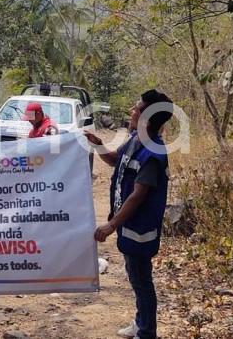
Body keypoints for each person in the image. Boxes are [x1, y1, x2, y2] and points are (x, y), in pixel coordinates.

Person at [84, 89, 173, 339]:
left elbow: (138, 195)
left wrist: (111, 225)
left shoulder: (153, 154)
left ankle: (147, 332)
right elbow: (116, 160)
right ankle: (141, 322)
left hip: (140, 231)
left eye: (136, 108)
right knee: (136, 278)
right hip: (130, 227)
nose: (131, 111)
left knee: (141, 281)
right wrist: (98, 145)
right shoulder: (136, 139)